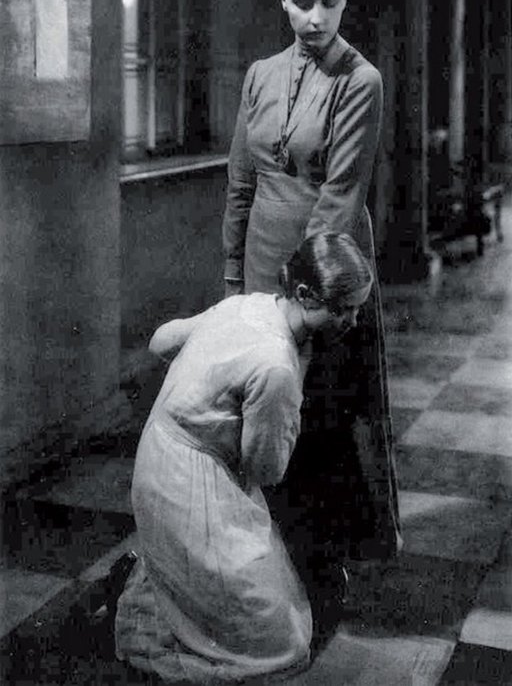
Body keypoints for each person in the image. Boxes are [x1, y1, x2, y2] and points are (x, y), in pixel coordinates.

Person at [222, 0, 401, 583]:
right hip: (262, 256)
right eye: (302, 2)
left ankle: (322, 563)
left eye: (329, 1)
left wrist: (304, 298)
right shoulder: (260, 75)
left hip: (326, 264)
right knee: (261, 402)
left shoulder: (363, 80)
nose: (316, 17)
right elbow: (240, 181)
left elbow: (341, 193)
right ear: (282, 1)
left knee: (320, 409)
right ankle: (267, 547)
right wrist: (235, 280)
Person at [115, 233, 374, 685]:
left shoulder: (246, 304)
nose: (352, 321)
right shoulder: (277, 366)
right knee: (280, 644)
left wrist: (206, 386)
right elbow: (266, 470)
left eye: (356, 308)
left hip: (157, 453)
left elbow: (161, 341)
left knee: (248, 601)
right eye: (342, 308)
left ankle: (170, 582)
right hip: (186, 480)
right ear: (304, 294)